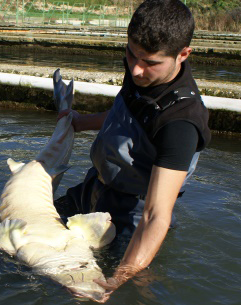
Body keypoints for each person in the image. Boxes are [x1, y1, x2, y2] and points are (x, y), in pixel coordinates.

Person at [54, 0, 211, 301]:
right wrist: (79, 122)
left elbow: (156, 216)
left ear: (183, 55)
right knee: (31, 229)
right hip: (95, 186)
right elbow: (125, 113)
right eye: (131, 54)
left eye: (150, 62)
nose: (136, 69)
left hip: (133, 214)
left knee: (121, 285)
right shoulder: (140, 70)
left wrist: (119, 278)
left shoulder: (181, 123)